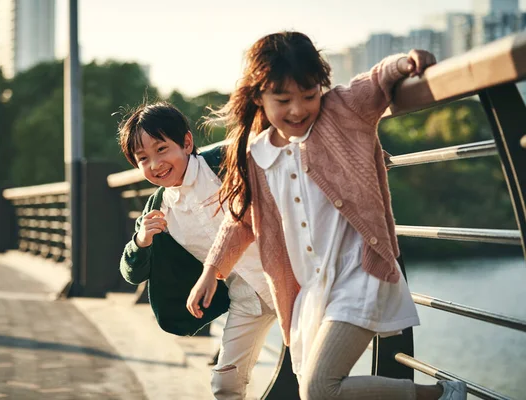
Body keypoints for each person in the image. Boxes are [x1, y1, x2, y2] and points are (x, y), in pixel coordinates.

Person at [186, 31, 467, 400]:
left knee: (318, 390)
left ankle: (442, 395)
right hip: (313, 289)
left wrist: (403, 64)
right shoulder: (257, 155)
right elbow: (241, 220)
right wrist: (212, 271)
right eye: (283, 99)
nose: (298, 109)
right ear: (258, 97)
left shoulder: (341, 111)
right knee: (314, 388)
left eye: (309, 95)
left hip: (360, 274)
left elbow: (376, 82)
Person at [118, 102, 278, 399]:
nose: (155, 164)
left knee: (314, 377)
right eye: (143, 158)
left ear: (187, 143)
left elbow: (284, 149)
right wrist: (141, 240)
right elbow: (131, 273)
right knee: (224, 385)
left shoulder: (223, 161)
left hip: (292, 280)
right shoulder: (159, 209)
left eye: (162, 149)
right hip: (246, 299)